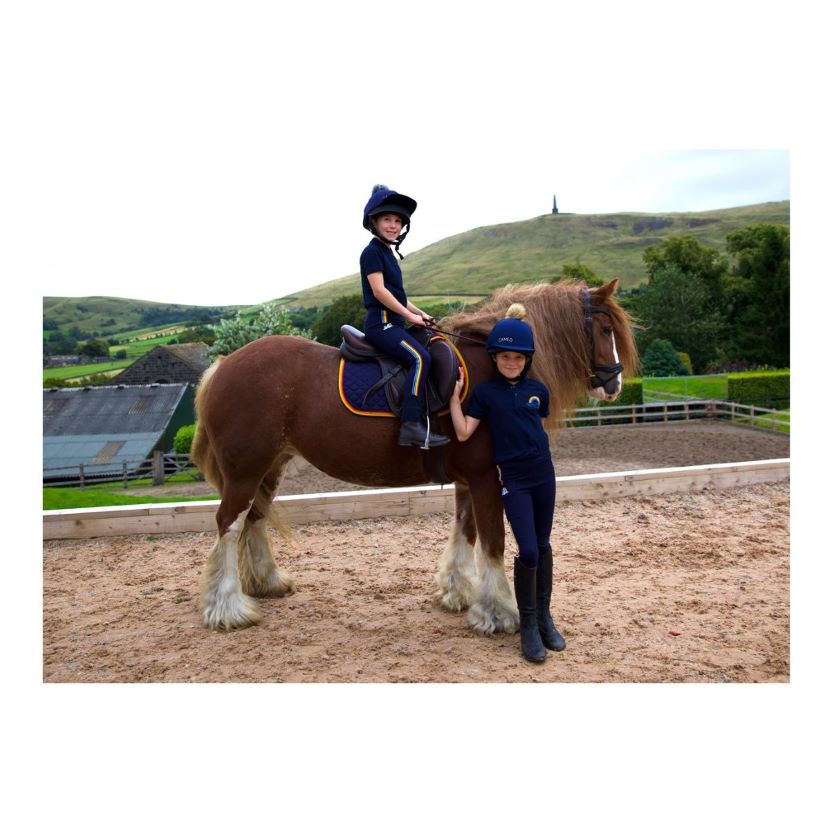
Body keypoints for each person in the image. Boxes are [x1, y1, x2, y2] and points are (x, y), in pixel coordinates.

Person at [449, 303, 566, 663]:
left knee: (544, 546)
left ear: (526, 359)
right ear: (495, 358)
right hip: (513, 479)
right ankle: (527, 625)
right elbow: (465, 431)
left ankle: (545, 618)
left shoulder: (538, 391)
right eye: (504, 357)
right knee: (527, 550)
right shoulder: (485, 394)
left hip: (543, 476)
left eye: (518, 357)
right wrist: (454, 400)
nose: (511, 362)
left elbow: (536, 425)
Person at [360, 184, 450, 449]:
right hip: (382, 324)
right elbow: (379, 292)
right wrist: (409, 317)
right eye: (387, 219)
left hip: (395, 321)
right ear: (374, 222)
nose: (393, 225)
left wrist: (421, 314)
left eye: (397, 221)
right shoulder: (372, 252)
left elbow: (398, 296)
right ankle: (411, 425)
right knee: (420, 358)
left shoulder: (388, 253)